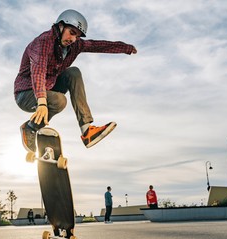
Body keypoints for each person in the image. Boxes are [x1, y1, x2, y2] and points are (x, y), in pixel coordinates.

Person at [15, 9, 138, 152]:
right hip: (26, 93)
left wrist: (126, 48)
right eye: (71, 33)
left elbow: (98, 45)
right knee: (60, 101)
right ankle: (30, 128)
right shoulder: (43, 42)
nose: (73, 39)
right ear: (61, 26)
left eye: (77, 36)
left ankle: (87, 131)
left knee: (73, 72)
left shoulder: (75, 45)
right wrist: (42, 101)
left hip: (49, 88)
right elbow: (38, 71)